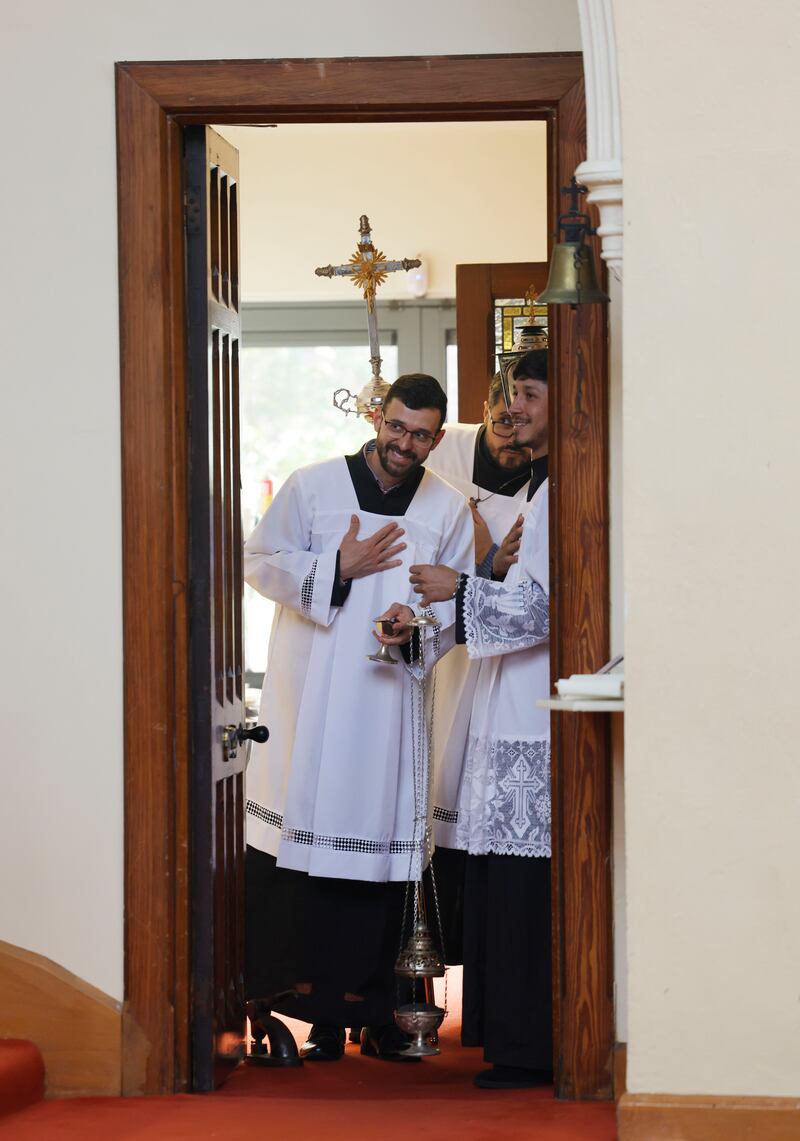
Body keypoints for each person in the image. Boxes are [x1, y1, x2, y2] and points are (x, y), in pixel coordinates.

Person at [243, 373, 474, 1064]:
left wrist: (418, 624)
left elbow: (456, 608)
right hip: (313, 699)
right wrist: (333, 567)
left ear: (439, 435)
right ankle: (294, 1008)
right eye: (397, 427)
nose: (406, 444)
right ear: (379, 417)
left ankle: (375, 1012)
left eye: (422, 434)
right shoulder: (312, 486)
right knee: (301, 854)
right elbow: (257, 561)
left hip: (389, 712)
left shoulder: (448, 508)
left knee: (380, 855)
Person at [380, 353, 551, 1089]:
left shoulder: (560, 487)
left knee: (520, 892)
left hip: (531, 709)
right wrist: (435, 612)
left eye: (533, 394)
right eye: (512, 394)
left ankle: (527, 1046)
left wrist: (464, 584)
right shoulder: (538, 486)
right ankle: (501, 1035)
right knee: (494, 884)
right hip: (497, 697)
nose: (516, 408)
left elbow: (544, 609)